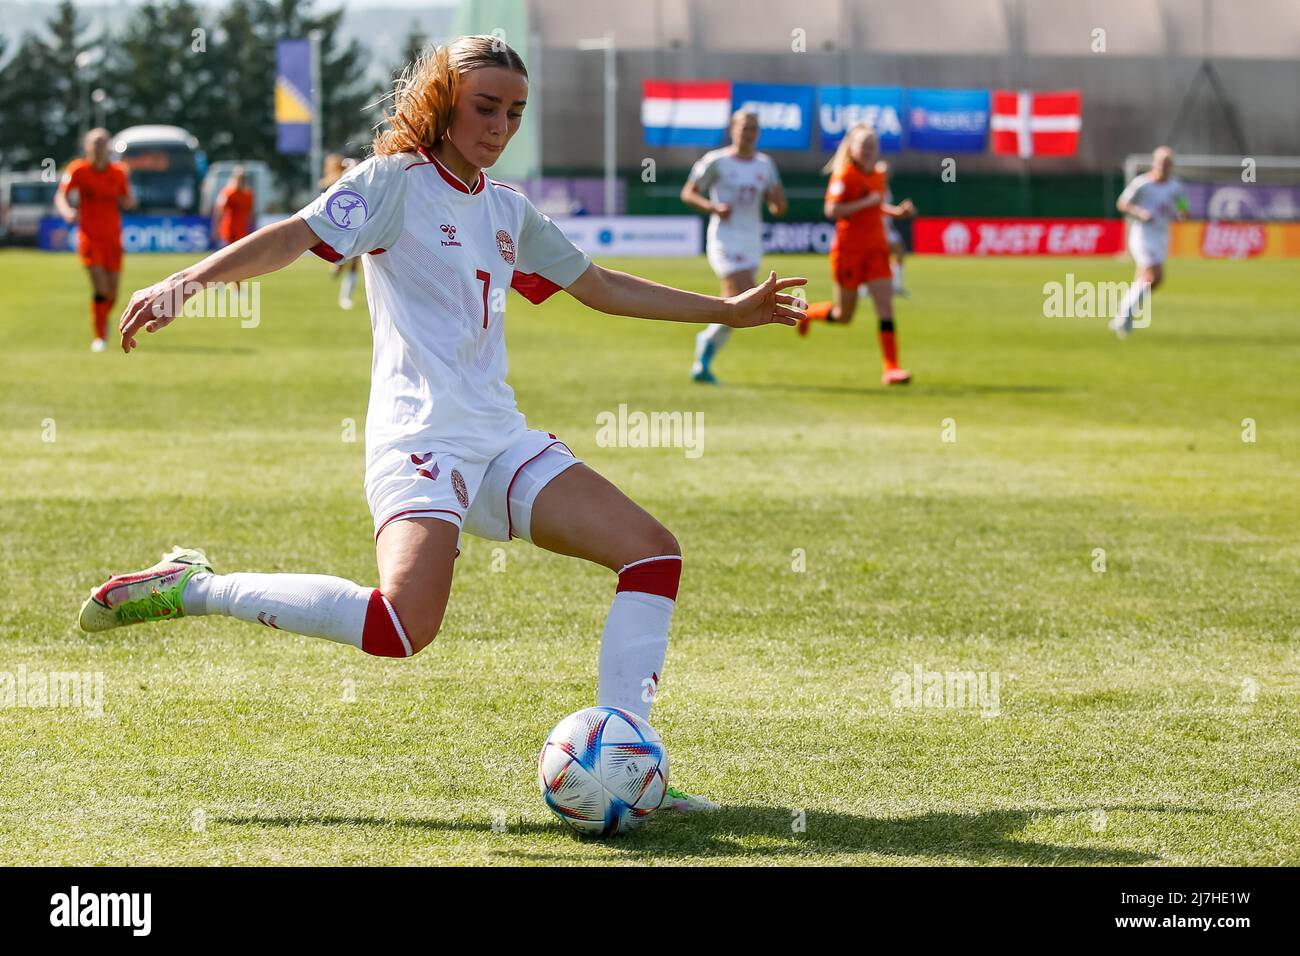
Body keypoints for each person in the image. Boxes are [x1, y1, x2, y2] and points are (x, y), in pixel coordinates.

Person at [79, 36, 806, 814]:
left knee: (653, 555)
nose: (499, 125)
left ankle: (626, 761)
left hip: (499, 438)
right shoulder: (392, 184)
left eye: (513, 113)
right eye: (485, 107)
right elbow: (294, 235)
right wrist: (190, 279)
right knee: (400, 626)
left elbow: (596, 285)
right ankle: (195, 586)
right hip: (418, 439)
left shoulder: (506, 209)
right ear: (443, 103)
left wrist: (724, 309)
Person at [797, 123, 916, 386]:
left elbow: (876, 206)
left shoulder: (878, 174)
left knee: (885, 306)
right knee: (843, 316)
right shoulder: (844, 175)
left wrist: (896, 212)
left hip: (876, 250)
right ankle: (809, 314)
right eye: (863, 145)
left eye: (872, 145)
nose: (868, 150)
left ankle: (892, 368)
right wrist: (868, 202)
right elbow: (832, 210)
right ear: (852, 148)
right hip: (849, 253)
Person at [679, 109, 787, 384]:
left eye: (753, 128)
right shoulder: (717, 161)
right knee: (743, 295)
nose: (748, 133)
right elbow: (688, 193)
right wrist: (712, 206)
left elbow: (778, 204)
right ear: (733, 129)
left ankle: (706, 346)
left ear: (758, 133)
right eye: (744, 128)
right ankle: (704, 351)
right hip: (724, 239)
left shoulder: (765, 165)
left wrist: (777, 201)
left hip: (752, 241)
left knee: (740, 302)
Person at [54, 128, 137, 352]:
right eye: (96, 143)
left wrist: (130, 201)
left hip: (113, 239)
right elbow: (61, 194)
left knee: (112, 293)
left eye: (103, 143)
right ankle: (100, 336)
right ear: (87, 147)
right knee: (100, 288)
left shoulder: (118, 172)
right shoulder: (78, 170)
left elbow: (127, 199)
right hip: (89, 238)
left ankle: (103, 320)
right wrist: (67, 211)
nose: (100, 148)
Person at [1110, 145, 1187, 338]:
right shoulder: (1141, 183)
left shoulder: (1175, 186)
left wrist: (1182, 213)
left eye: (1167, 164)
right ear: (1154, 163)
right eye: (1161, 163)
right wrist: (1139, 212)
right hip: (1143, 234)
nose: (1164, 167)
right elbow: (1122, 203)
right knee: (1154, 275)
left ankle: (1123, 314)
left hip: (1161, 235)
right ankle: (1126, 312)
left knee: (1149, 280)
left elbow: (1184, 205)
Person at [320, 153, 363, 309]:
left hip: (357, 224)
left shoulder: (357, 176)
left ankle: (346, 297)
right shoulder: (336, 180)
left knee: (355, 262)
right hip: (341, 227)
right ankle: (336, 269)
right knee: (340, 263)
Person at [212, 166, 255, 297]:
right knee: (227, 259)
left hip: (241, 230)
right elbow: (219, 210)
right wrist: (216, 228)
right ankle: (220, 283)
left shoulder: (248, 194)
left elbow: (250, 213)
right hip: (230, 230)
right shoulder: (228, 193)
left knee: (239, 260)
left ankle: (236, 287)